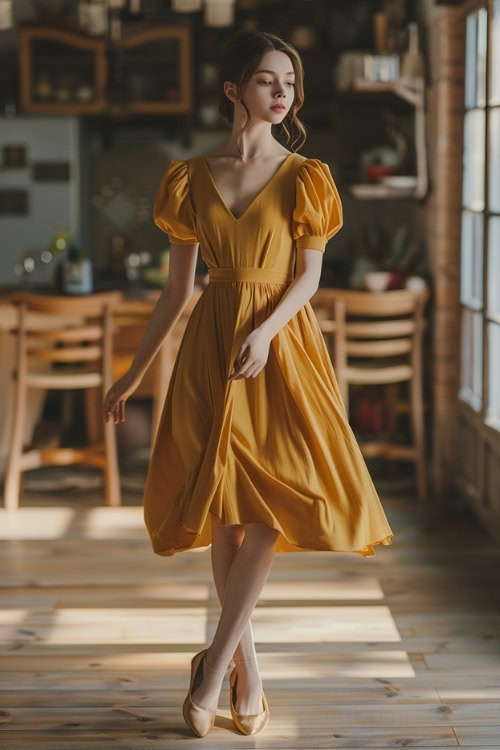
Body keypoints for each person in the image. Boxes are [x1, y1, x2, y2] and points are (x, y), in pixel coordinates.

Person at [103, 29, 394, 738]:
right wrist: (131, 375)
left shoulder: (306, 177)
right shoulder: (188, 179)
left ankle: (214, 666)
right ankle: (246, 673)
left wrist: (264, 332)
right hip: (210, 345)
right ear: (233, 90)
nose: (282, 92)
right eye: (268, 80)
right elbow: (174, 296)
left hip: (279, 342)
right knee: (226, 507)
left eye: (289, 82)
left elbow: (310, 276)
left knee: (274, 496)